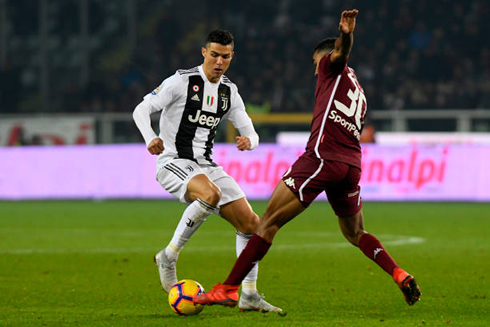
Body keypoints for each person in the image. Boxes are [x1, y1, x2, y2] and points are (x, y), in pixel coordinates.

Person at [195, 10, 421, 309]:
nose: (317, 72)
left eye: (316, 65)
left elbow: (339, 53)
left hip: (321, 158)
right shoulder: (359, 90)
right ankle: (398, 272)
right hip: (351, 166)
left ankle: (228, 288)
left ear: (323, 59)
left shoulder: (332, 65)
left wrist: (346, 34)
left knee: (267, 223)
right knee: (355, 232)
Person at [132, 29, 282, 313]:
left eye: (225, 56)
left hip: (205, 165)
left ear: (231, 57)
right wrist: (150, 137)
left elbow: (251, 130)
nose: (219, 62)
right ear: (204, 52)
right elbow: (141, 109)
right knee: (210, 193)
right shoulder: (181, 82)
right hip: (172, 161)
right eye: (214, 55)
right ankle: (169, 255)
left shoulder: (229, 91)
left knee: (251, 224)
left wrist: (250, 141)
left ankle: (248, 295)